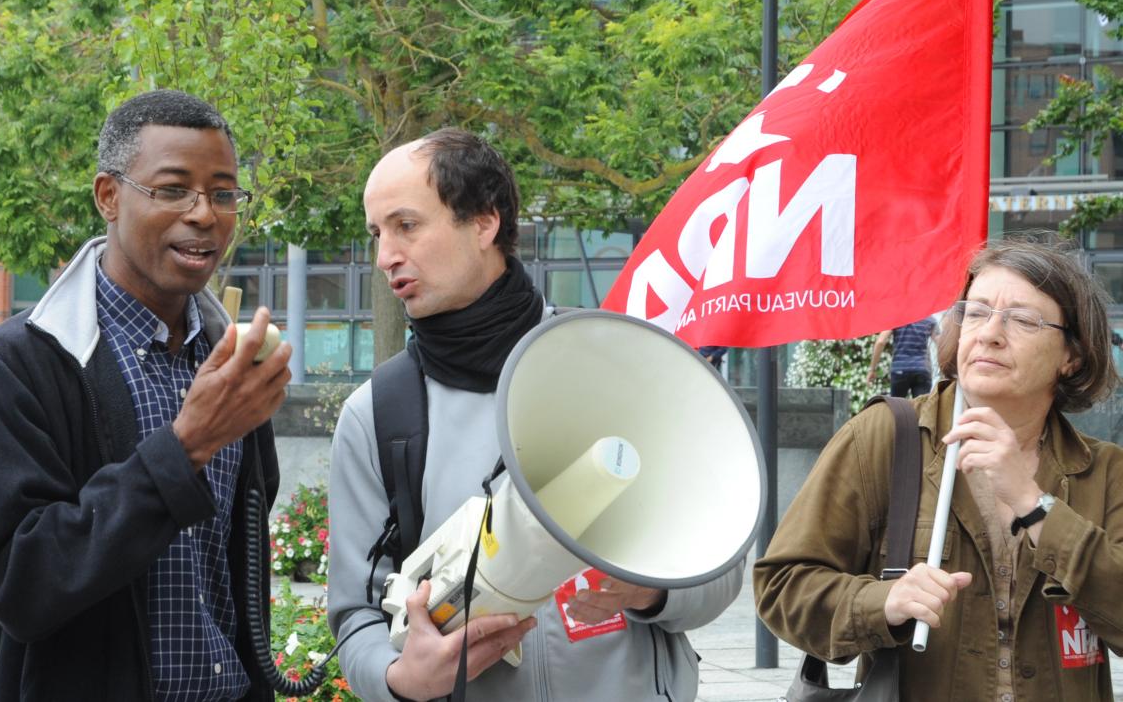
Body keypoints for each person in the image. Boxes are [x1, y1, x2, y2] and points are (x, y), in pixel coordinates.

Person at [326, 128, 742, 702]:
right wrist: (400, 677)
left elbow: (718, 568)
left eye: (407, 225)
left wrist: (650, 592)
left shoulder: (619, 364)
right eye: (377, 233)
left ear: (483, 223)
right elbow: (354, 612)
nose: (384, 256)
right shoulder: (376, 415)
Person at [0, 90, 292, 701]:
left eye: (223, 194)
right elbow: (22, 588)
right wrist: (185, 447)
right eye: (172, 190)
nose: (204, 215)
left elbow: (235, 562)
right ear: (108, 197)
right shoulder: (21, 361)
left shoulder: (229, 358)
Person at [754, 236, 1123, 700]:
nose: (990, 332)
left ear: (1072, 355)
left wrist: (1034, 507)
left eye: (1023, 319)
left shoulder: (1104, 472)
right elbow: (782, 586)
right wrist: (882, 602)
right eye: (976, 311)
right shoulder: (884, 437)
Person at [866, 316, 938, 398]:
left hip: (900, 370)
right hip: (922, 369)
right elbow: (940, 343)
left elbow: (880, 342)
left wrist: (872, 369)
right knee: (921, 408)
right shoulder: (929, 318)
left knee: (897, 408)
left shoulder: (896, 317)